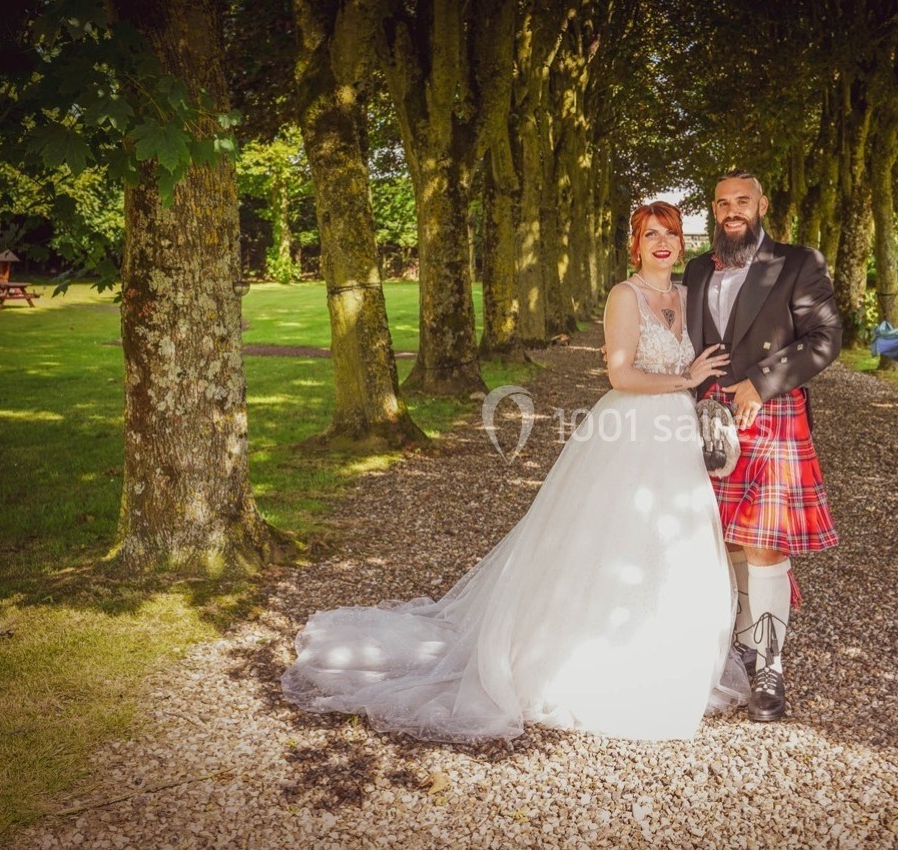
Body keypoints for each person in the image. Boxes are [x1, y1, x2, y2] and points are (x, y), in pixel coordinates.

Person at [282, 201, 748, 742]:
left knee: (673, 536)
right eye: (651, 234)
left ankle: (667, 653)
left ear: (681, 241)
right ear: (635, 243)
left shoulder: (689, 297)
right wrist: (685, 379)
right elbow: (620, 376)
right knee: (610, 537)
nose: (662, 242)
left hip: (679, 436)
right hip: (633, 428)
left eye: (671, 232)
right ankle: (577, 660)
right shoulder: (625, 296)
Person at [684, 169, 843, 723]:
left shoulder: (799, 262)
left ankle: (770, 665)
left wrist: (762, 381)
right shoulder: (699, 267)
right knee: (723, 542)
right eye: (723, 202)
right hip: (709, 417)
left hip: (771, 413)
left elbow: (825, 339)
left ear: (762, 205)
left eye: (742, 201)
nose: (732, 210)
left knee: (765, 545)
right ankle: (739, 646)